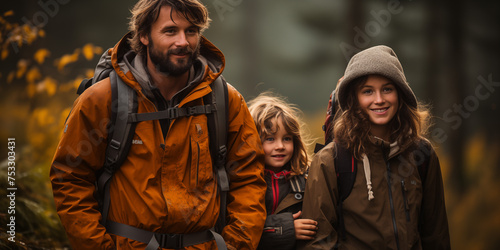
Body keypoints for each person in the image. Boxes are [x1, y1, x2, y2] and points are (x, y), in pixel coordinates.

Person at [49, 0, 266, 249]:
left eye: (191, 31)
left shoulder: (226, 101)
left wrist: (234, 245)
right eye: (170, 31)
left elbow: (249, 178)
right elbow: (70, 177)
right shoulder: (103, 99)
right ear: (143, 36)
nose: (183, 42)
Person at [298, 45, 451, 249]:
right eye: (368, 91)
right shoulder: (331, 161)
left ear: (401, 94)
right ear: (354, 99)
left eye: (387, 89)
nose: (379, 100)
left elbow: (436, 235)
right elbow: (317, 243)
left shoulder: (421, 154)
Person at [247, 93, 318, 250]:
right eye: (270, 139)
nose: (280, 146)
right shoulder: (242, 182)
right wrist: (285, 229)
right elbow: (240, 229)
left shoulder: (307, 179)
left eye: (287, 138)